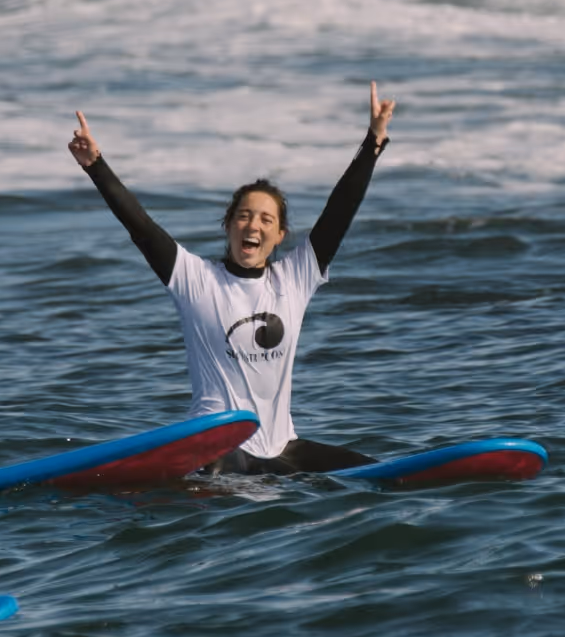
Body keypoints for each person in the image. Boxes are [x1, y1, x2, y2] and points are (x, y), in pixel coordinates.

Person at [68, 82, 395, 474]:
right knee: (226, 479)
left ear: (278, 236)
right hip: (218, 448)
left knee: (379, 476)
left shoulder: (294, 278)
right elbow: (140, 225)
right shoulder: (197, 280)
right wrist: (96, 165)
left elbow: (339, 211)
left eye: (265, 219)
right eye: (243, 215)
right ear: (228, 226)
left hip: (280, 448)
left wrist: (373, 142)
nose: (252, 225)